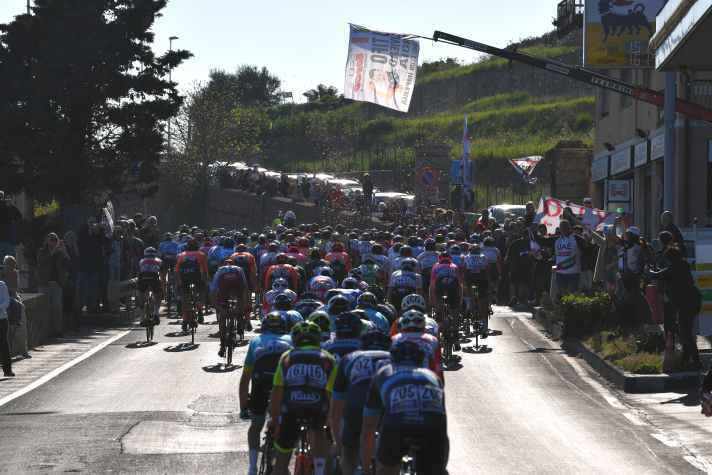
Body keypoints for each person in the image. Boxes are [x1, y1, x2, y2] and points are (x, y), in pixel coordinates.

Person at [361, 340, 448, 475]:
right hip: (431, 428)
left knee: (386, 469)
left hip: (396, 427)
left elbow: (368, 427)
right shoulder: (433, 377)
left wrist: (366, 469)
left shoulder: (383, 372)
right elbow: (443, 425)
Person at [269, 321, 337, 475]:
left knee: (280, 463)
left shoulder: (286, 357)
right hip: (317, 409)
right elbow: (331, 393)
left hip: (291, 410)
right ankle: (320, 469)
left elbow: (277, 391)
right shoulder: (328, 358)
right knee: (320, 435)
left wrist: (274, 419)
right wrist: (331, 420)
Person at [331, 330, 392, 475]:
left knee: (349, 452)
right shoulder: (394, 358)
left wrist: (339, 444)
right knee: (391, 457)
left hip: (356, 406)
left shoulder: (350, 358)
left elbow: (336, 411)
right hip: (387, 408)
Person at [239, 311, 293, 475]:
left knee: (255, 426)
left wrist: (243, 407)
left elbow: (245, 379)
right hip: (283, 389)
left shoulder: (256, 341)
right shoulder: (291, 340)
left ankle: (252, 467)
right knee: (284, 427)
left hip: (260, 387)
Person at [210, 258, 250, 356]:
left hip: (224, 291)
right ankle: (240, 319)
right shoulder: (239, 269)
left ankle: (223, 344)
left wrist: (216, 305)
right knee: (240, 302)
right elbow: (245, 286)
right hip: (237, 289)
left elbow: (214, 288)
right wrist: (245, 304)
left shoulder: (220, 270)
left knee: (222, 316)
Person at [175, 239, 209, 331]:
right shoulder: (201, 254)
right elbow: (205, 270)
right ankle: (200, 308)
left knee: (185, 300)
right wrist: (206, 281)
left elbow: (177, 270)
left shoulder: (181, 255)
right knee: (202, 292)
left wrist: (179, 282)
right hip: (197, 277)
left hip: (184, 278)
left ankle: (185, 321)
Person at [553, 220, 582, 297]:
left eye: (565, 227)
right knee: (562, 294)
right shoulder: (557, 240)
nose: (563, 229)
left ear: (569, 228)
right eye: (562, 227)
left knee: (572, 295)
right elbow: (555, 256)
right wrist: (554, 267)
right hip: (560, 272)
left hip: (573, 272)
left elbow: (587, 247)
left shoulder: (576, 238)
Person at [136, 247, 162, 326]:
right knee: (158, 294)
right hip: (154, 277)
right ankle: (156, 314)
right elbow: (161, 272)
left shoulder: (141, 261)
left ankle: (141, 318)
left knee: (141, 296)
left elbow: (139, 270)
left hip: (143, 278)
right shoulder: (159, 260)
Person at [0, 191, 22, 259]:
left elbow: (19, 217)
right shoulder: (6, 207)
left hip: (8, 240)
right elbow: (18, 216)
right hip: (6, 239)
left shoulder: (11, 208)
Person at [0, 278, 13, 376]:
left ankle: (7, 370)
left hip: (1, 319)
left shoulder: (2, 285)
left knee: (4, 344)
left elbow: (6, 302)